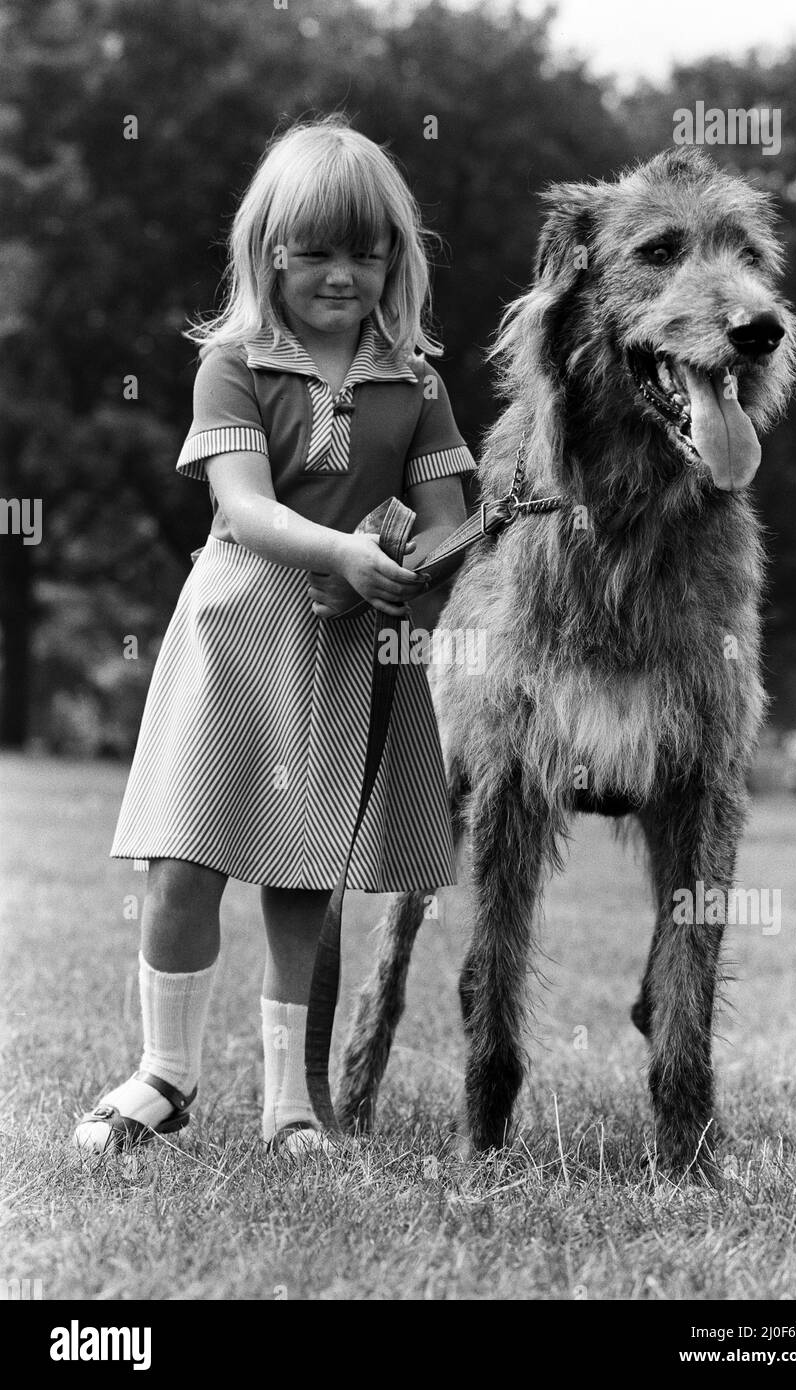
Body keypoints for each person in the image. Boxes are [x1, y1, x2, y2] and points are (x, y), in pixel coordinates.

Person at [73, 117, 475, 1158]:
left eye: (367, 250)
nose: (343, 273)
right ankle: (164, 1075)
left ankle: (290, 1105)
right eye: (316, 250)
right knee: (182, 861)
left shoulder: (418, 384)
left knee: (305, 878)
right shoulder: (235, 363)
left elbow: (444, 519)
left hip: (344, 654)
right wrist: (342, 551)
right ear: (270, 252)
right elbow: (244, 508)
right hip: (235, 635)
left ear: (397, 258)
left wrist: (423, 564)